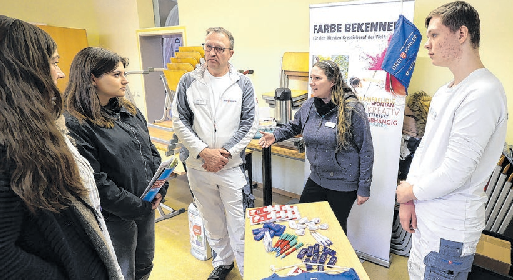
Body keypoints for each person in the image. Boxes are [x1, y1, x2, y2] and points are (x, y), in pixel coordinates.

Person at [0, 16, 122, 279]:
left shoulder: (36, 129)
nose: (60, 72)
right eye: (54, 62)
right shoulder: (8, 144)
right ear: (23, 70)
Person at [396, 1, 508, 279]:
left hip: (450, 229)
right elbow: (424, 152)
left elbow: (456, 171)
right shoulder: (446, 92)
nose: (427, 44)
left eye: (434, 35)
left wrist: (407, 193)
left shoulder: (483, 92)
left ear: (461, 34)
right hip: (426, 218)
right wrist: (409, 200)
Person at [65, 47, 168, 280]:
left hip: (145, 206)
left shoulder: (128, 109)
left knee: (144, 266)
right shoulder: (77, 123)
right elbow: (95, 181)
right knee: (122, 273)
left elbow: (150, 151)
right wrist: (136, 206)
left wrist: (159, 186)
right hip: (115, 217)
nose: (125, 81)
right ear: (92, 78)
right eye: (117, 75)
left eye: (125, 73)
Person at [171, 27, 258, 279]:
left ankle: (248, 270)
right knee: (211, 219)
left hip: (230, 167)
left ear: (230, 53)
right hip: (198, 167)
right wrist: (203, 152)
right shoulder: (189, 81)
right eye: (208, 47)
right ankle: (223, 262)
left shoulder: (243, 83)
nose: (212, 53)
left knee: (238, 222)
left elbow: (249, 123)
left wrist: (225, 154)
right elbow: (180, 121)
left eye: (219, 48)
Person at [259, 60, 374, 233]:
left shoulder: (352, 109)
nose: (311, 82)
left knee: (334, 231)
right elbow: (294, 126)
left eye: (317, 78)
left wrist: (364, 187)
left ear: (332, 81)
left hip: (343, 183)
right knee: (304, 221)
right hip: (317, 178)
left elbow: (366, 150)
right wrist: (275, 135)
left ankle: (338, 260)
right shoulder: (309, 105)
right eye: (311, 77)